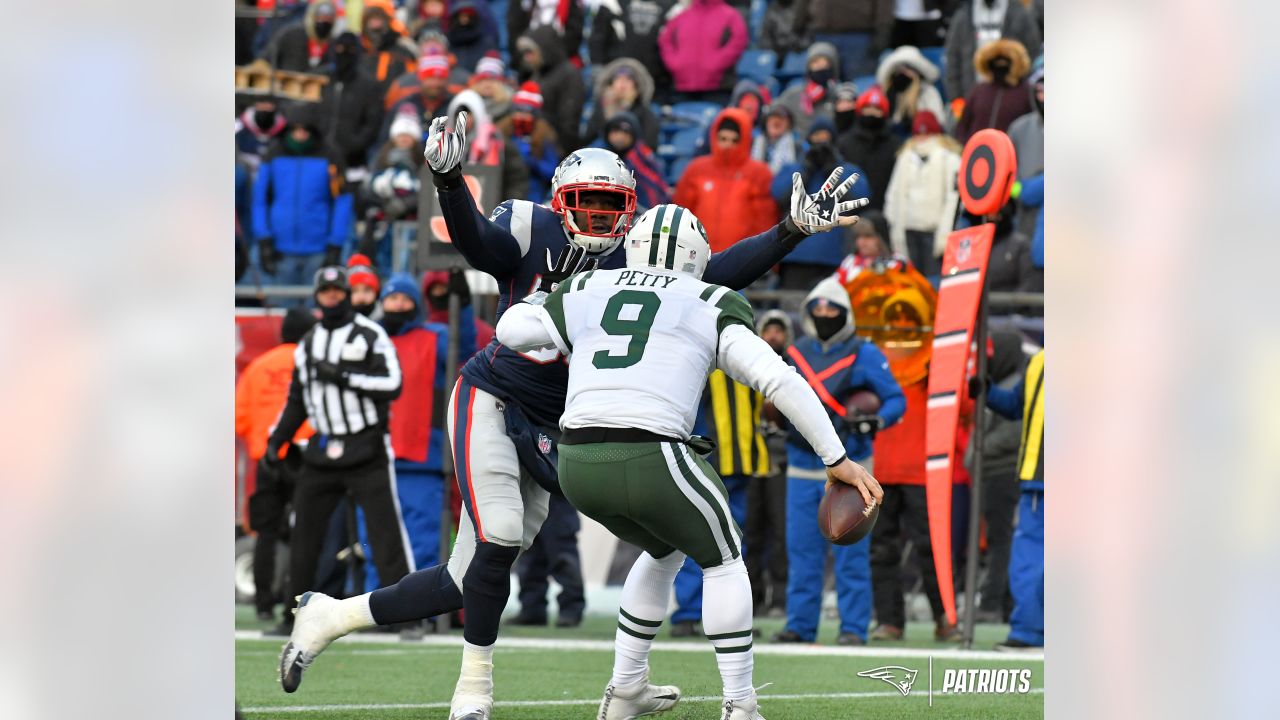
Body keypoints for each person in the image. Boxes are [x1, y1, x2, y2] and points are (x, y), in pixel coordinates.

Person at [275, 117, 871, 715]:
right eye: (586, 204)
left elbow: (713, 276)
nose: (599, 218)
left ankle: (332, 615)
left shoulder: (634, 258)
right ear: (560, 203)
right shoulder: (530, 229)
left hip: (559, 424)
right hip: (494, 392)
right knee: (499, 538)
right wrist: (450, 181)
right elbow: (479, 244)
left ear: (631, 210)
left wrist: (789, 231)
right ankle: (472, 694)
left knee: (470, 577)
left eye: (612, 207)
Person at [493, 203, 884, 719]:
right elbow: (780, 380)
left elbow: (510, 331)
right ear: (697, 255)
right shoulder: (707, 300)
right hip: (651, 451)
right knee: (724, 558)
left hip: (578, 463)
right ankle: (741, 705)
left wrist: (546, 294)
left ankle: (627, 688)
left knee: (664, 552)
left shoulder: (586, 288)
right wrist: (837, 457)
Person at [263, 266, 413, 631]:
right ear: (317, 296)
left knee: (385, 533)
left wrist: (344, 376)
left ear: (347, 293)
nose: (331, 295)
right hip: (323, 448)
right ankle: (294, 616)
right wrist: (277, 440)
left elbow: (393, 384)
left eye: (337, 289)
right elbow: (297, 399)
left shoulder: (370, 333)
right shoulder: (310, 342)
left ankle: (409, 615)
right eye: (325, 290)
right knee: (305, 538)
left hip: (366, 448)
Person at [773, 276, 905, 646]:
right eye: (819, 306)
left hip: (853, 466)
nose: (826, 312)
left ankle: (853, 628)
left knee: (853, 549)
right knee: (801, 549)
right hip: (802, 461)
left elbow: (896, 399)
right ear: (809, 311)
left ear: (846, 313)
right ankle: (800, 625)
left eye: (834, 307)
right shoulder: (795, 352)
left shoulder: (865, 352)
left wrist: (876, 420)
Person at [356, 271, 477, 594]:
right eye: (392, 298)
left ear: (415, 303)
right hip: (373, 457)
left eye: (404, 299)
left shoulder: (435, 336)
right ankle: (373, 606)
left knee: (422, 539)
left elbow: (464, 347)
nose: (397, 305)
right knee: (373, 540)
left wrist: (464, 305)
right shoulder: (370, 339)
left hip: (421, 458)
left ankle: (417, 608)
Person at [667, 363, 767, 637]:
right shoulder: (704, 359)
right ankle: (689, 613)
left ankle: (731, 617)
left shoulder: (741, 359)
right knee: (699, 537)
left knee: (734, 543)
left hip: (742, 463)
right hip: (708, 462)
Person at [236, 308, 318, 622]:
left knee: (266, 534)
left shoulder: (259, 366)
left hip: (266, 458)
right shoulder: (312, 363)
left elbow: (240, 418)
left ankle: (263, 603)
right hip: (305, 457)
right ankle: (298, 598)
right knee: (305, 530)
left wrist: (262, 439)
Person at [251, 104, 352, 286]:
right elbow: (260, 200)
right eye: (295, 129)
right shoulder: (273, 155)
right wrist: (264, 238)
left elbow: (342, 200)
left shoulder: (330, 156)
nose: (300, 134)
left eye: (305, 129)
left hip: (319, 250)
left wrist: (335, 243)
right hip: (279, 250)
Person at [985, 349, 1044, 650]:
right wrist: (986, 391)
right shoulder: (1038, 361)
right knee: (1028, 562)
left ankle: (1030, 631)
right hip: (1037, 481)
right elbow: (1015, 406)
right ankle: (1029, 631)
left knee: (1031, 560)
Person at [966, 331, 1027, 624]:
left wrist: (980, 450)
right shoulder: (1003, 384)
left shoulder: (1016, 383)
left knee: (1001, 540)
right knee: (1000, 539)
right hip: (994, 471)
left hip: (1004, 472)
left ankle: (992, 603)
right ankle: (1001, 603)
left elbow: (1016, 430)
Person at [771, 117, 872, 288]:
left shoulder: (847, 170)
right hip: (795, 256)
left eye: (825, 138)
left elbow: (860, 196)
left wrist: (832, 170)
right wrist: (806, 170)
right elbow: (779, 195)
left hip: (835, 257)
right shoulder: (793, 168)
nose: (820, 143)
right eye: (816, 137)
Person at [672, 108, 777, 254]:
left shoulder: (759, 173)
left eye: (735, 140)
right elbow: (680, 214)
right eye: (723, 139)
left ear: (745, 140)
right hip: (696, 256)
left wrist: (765, 258)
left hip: (740, 260)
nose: (728, 145)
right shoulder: (696, 169)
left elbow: (764, 221)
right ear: (715, 137)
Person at [747, 311, 793, 617]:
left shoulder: (793, 370)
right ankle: (752, 598)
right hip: (749, 461)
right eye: (768, 330)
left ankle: (779, 598)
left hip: (780, 461)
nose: (773, 336)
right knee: (750, 532)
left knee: (780, 532)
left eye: (779, 331)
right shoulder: (745, 366)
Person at [882, 110, 961, 276]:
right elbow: (893, 194)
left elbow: (953, 199)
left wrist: (946, 234)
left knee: (934, 282)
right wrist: (893, 223)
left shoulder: (950, 159)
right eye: (918, 134)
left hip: (934, 231)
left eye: (926, 133)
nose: (922, 138)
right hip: (908, 229)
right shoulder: (905, 158)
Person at [511, 492, 586, 627]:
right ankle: (532, 609)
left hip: (554, 488)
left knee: (562, 554)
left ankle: (571, 610)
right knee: (530, 555)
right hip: (532, 489)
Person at [943, 0, 1041, 102]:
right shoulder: (963, 15)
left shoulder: (1019, 14)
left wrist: (1025, 95)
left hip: (1011, 97)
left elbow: (1033, 56)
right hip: (973, 96)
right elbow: (953, 59)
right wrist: (956, 98)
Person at [319, 32, 386, 176]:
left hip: (352, 162)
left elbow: (373, 123)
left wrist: (354, 144)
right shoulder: (320, 79)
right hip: (317, 156)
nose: (344, 54)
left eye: (350, 50)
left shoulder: (368, 85)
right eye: (340, 48)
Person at [658, 0, 749, 104]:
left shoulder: (731, 16)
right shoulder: (681, 16)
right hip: (682, 88)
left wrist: (716, 63)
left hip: (718, 89)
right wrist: (676, 64)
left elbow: (739, 41)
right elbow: (665, 40)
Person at [446, 90, 531, 201]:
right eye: (458, 114)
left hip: (493, 207)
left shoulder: (498, 142)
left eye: (468, 113)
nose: (463, 119)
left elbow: (517, 178)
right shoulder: (443, 145)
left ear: (478, 113)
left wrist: (509, 205)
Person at [514, 25, 586, 152]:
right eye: (524, 53)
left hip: (555, 150)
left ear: (545, 49)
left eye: (530, 52)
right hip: (536, 145)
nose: (527, 58)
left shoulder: (569, 74)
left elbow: (569, 122)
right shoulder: (537, 73)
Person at [588, 0, 678, 100]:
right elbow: (598, 38)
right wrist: (597, 64)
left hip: (658, 82)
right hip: (618, 79)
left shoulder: (672, 8)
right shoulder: (612, 4)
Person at [953, 38, 1032, 143]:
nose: (1000, 65)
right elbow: (963, 125)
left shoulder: (1026, 92)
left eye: (1005, 61)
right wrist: (966, 146)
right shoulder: (979, 91)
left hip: (1012, 154)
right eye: (996, 61)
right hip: (977, 152)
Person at [792, 0, 894, 81]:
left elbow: (884, 5)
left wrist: (882, 32)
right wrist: (797, 29)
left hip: (859, 38)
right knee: (820, 87)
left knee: (859, 86)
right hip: (822, 35)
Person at [837, 85, 902, 212]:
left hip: (884, 210)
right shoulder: (844, 143)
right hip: (850, 211)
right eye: (867, 108)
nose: (871, 113)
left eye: (877, 109)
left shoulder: (895, 145)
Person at [496, 82, 560, 204]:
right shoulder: (502, 134)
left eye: (526, 112)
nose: (521, 116)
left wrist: (533, 162)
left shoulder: (545, 136)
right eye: (518, 111)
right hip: (506, 191)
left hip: (534, 195)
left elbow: (552, 172)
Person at [593, 112, 670, 212]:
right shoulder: (596, 154)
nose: (620, 136)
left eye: (625, 132)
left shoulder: (640, 153)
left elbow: (657, 184)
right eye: (615, 131)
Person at [584, 59, 661, 151]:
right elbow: (589, 138)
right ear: (611, 83)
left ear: (636, 85)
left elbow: (650, 144)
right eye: (618, 78)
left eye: (628, 79)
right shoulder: (601, 108)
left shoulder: (644, 111)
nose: (622, 83)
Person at [364, 112, 425, 227]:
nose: (404, 139)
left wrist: (405, 204)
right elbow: (368, 187)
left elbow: (426, 190)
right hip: (382, 218)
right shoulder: (381, 158)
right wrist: (385, 204)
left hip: (411, 220)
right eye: (401, 135)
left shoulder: (421, 160)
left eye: (408, 135)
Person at [876, 45, 946, 138]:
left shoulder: (927, 92)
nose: (902, 72)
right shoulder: (888, 93)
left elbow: (938, 122)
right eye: (898, 68)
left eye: (907, 68)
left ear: (917, 72)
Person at [774, 41, 840, 136]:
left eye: (825, 63)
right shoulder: (793, 95)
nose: (820, 67)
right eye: (815, 62)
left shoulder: (840, 95)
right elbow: (774, 114)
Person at [422, 270, 496, 350]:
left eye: (443, 288)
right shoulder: (422, 335)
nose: (439, 293)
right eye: (434, 289)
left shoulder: (485, 333)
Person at [358, 1, 417, 96]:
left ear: (388, 21)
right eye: (371, 18)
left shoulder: (403, 50)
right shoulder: (357, 49)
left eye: (378, 18)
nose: (375, 24)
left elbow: (411, 83)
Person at [261, 0, 338, 72]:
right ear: (312, 17)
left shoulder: (334, 45)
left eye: (329, 18)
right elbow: (266, 59)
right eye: (320, 17)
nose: (324, 21)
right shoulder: (291, 35)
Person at [507, 0, 585, 67]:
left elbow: (575, 34)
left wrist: (551, 55)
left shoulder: (570, 3)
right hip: (528, 58)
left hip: (561, 59)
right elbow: (515, 31)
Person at [236, 98, 288, 176]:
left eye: (268, 108)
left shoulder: (285, 130)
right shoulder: (238, 126)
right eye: (261, 106)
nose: (265, 110)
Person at [447, 1, 501, 72]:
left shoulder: (487, 43)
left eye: (469, 16)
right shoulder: (447, 44)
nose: (464, 20)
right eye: (461, 16)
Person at [752, 104, 802, 175]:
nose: (777, 120)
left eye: (782, 118)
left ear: (789, 124)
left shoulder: (797, 148)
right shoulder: (753, 142)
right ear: (765, 122)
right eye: (773, 117)